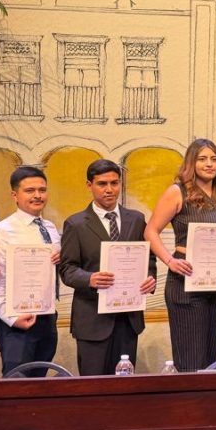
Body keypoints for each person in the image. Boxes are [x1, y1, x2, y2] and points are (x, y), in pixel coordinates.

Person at [144, 139, 216, 371]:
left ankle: (211, 406)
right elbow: (150, 231)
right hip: (185, 284)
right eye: (202, 159)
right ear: (191, 162)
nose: (209, 164)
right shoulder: (178, 192)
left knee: (213, 359)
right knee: (191, 360)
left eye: (214, 159)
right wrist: (170, 260)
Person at [59, 159, 157, 376]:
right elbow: (67, 269)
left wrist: (150, 278)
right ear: (89, 185)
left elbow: (149, 259)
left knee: (124, 387)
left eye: (114, 183)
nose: (110, 190)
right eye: (102, 184)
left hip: (128, 318)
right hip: (92, 320)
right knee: (93, 388)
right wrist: (90, 278)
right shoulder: (75, 224)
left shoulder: (137, 219)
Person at [0, 166, 61, 377]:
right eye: (30, 190)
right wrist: (11, 318)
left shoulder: (50, 228)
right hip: (17, 320)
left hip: (47, 317)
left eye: (42, 189)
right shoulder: (2, 230)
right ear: (15, 195)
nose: (37, 195)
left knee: (40, 381)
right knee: (16, 382)